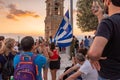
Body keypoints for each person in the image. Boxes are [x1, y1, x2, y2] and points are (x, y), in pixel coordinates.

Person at [87, 0, 120, 79]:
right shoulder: (108, 23)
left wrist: (92, 57)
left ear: (108, 1)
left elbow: (94, 53)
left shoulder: (108, 22)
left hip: (111, 75)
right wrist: (99, 16)